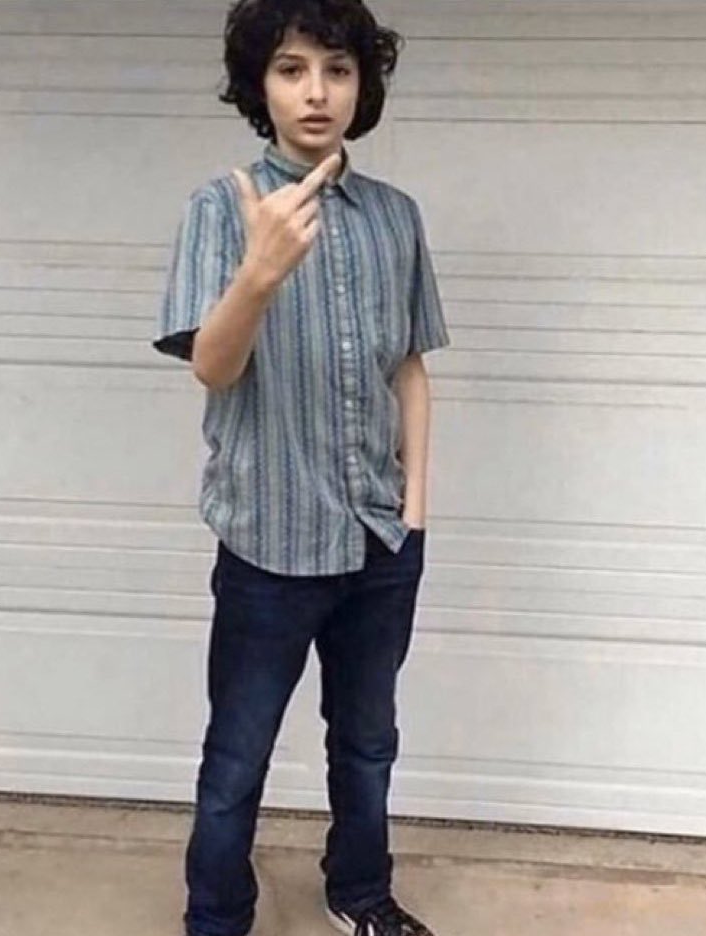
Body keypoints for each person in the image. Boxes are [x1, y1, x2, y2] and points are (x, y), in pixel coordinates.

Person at [153, 1, 450, 933]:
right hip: (268, 545)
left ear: (363, 86)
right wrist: (260, 271)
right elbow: (212, 367)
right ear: (261, 85)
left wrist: (416, 509)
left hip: (380, 539)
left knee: (367, 746)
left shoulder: (395, 217)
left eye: (337, 68)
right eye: (291, 68)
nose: (316, 91)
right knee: (236, 759)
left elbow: (410, 366)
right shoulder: (221, 207)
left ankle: (359, 896)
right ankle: (216, 917)